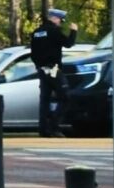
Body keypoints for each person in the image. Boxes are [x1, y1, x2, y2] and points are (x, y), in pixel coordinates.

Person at [30, 7, 78, 137]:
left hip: (42, 70)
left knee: (44, 100)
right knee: (65, 97)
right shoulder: (54, 31)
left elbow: (33, 54)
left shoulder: (36, 32)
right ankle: (54, 125)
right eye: (60, 21)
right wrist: (73, 31)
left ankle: (43, 129)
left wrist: (39, 66)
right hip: (54, 69)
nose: (60, 23)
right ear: (55, 18)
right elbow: (68, 43)